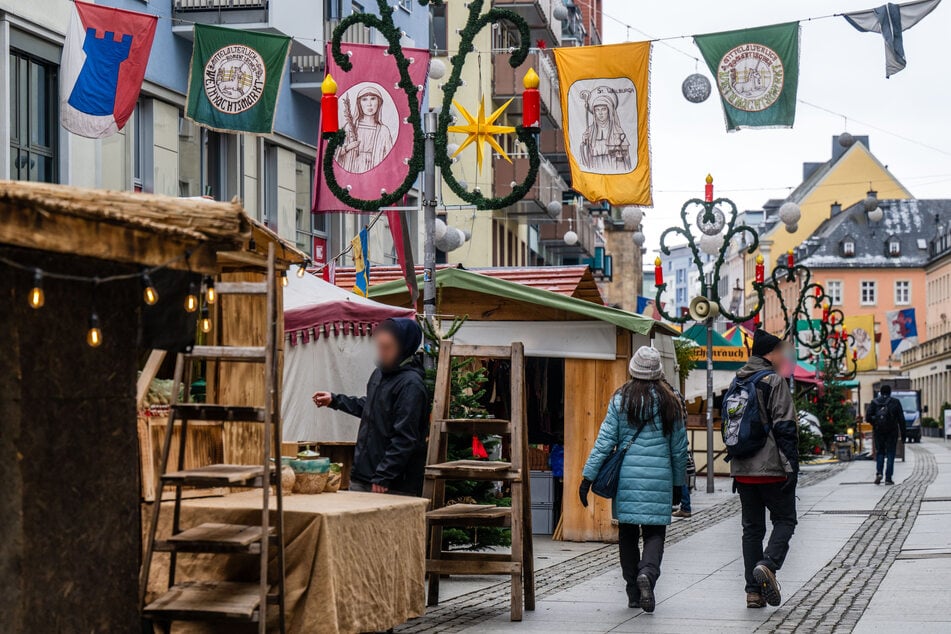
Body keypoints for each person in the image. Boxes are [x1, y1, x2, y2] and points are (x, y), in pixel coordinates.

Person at [579, 347, 688, 613]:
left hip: (627, 479)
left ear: (632, 369)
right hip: (659, 479)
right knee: (654, 533)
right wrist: (678, 485)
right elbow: (679, 450)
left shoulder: (620, 399)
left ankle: (633, 593)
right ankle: (647, 573)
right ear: (658, 372)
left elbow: (605, 442)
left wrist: (587, 477)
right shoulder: (671, 402)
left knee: (627, 535)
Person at [312, 318, 428, 496]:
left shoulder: (411, 385)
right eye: (380, 347)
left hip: (392, 485)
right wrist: (334, 400)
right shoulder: (380, 374)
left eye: (387, 348)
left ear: (404, 348)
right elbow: (370, 407)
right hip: (363, 475)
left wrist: (384, 475)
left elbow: (405, 437)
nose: (381, 353)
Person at [731, 329, 799, 610]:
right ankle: (768, 564)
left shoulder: (738, 380)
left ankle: (753, 593)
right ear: (770, 354)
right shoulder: (774, 381)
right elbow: (785, 426)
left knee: (751, 529)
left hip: (742, 468)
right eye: (780, 351)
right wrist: (791, 466)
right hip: (770, 467)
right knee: (785, 519)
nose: (783, 356)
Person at [335, 85, 394, 173]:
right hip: (352, 172)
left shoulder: (384, 131)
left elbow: (391, 159)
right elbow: (335, 153)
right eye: (364, 99)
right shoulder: (349, 127)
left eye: (373, 99)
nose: (369, 104)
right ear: (359, 104)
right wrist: (348, 147)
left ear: (379, 103)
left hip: (375, 174)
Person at [580, 87, 632, 173]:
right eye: (597, 110)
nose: (600, 113)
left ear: (609, 110)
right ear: (594, 112)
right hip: (595, 170)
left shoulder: (617, 131)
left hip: (614, 168)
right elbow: (584, 158)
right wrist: (585, 144)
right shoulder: (590, 131)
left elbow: (626, 157)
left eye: (603, 109)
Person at [866, 385, 904, 485]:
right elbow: (901, 419)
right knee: (891, 453)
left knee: (880, 452)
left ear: (881, 392)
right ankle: (888, 478)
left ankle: (879, 473)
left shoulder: (874, 402)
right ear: (890, 392)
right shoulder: (895, 402)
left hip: (879, 431)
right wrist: (904, 435)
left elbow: (867, 417)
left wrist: (875, 423)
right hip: (892, 431)